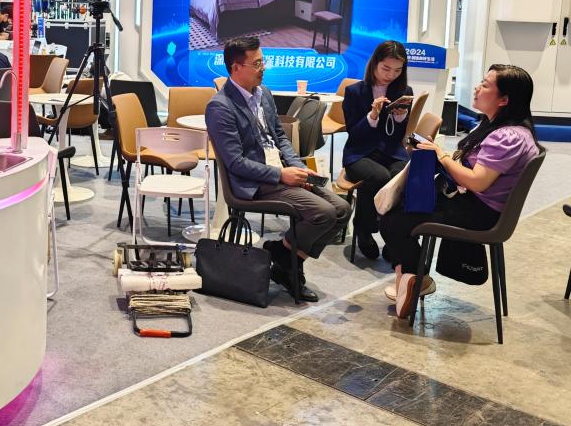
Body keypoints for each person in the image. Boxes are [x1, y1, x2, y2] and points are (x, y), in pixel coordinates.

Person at [379, 64, 541, 319]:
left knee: (394, 219)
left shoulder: (507, 137)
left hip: (479, 212)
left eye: (485, 85)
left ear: (504, 99)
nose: (477, 88)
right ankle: (412, 278)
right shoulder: (495, 126)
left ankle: (413, 279)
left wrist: (441, 156)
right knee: (398, 208)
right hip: (472, 202)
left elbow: (478, 182)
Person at [206, 36, 350, 302]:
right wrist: (280, 174)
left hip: (282, 172)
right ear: (235, 68)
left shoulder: (264, 94)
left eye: (263, 62)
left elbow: (280, 138)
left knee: (342, 209)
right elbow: (235, 162)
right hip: (255, 182)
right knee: (324, 213)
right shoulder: (220, 107)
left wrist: (298, 168)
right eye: (256, 64)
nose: (263, 68)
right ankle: (288, 265)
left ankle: (285, 256)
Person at [342, 40, 415, 260]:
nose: (391, 75)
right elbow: (354, 134)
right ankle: (364, 229)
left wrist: (400, 116)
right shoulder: (354, 92)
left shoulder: (404, 92)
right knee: (378, 176)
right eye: (386, 68)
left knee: (401, 177)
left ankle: (393, 234)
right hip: (359, 153)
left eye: (398, 70)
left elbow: (398, 136)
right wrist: (372, 116)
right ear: (374, 63)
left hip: (391, 151)